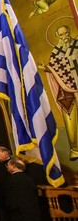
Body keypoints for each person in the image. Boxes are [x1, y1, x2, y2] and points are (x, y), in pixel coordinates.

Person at [45, 25, 78, 160]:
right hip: (66, 91)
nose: (64, 37)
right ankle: (75, 149)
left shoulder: (76, 45)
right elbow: (53, 68)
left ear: (69, 32)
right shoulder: (56, 52)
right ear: (58, 37)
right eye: (61, 35)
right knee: (70, 120)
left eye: (66, 33)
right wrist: (48, 69)